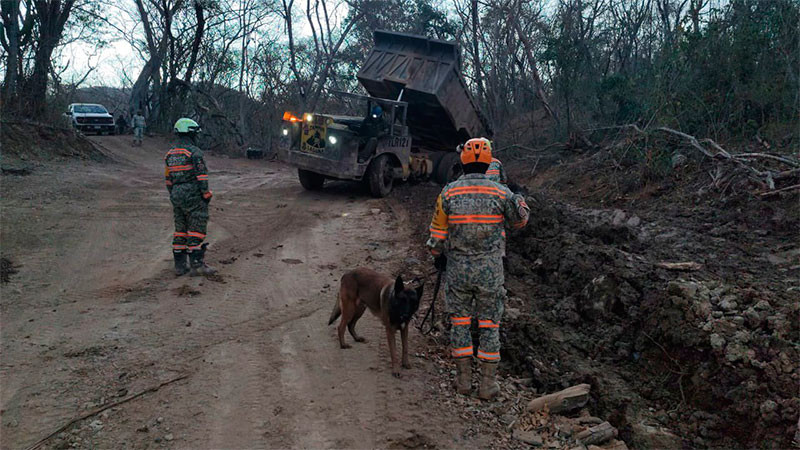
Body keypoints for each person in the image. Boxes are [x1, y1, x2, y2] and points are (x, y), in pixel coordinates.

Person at [426, 137, 529, 400]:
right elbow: (520, 223)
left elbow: (436, 237)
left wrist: (438, 254)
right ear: (489, 162)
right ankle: (487, 385)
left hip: (458, 271)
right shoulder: (500, 192)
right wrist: (521, 201)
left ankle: (462, 381)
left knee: (459, 323)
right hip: (490, 273)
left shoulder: (448, 192)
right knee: (489, 325)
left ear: (462, 161)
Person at [164, 118, 216, 277]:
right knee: (197, 228)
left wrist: (174, 194)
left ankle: (180, 266)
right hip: (193, 194)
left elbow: (168, 179)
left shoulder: (170, 154)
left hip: (176, 194)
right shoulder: (194, 152)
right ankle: (197, 264)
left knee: (180, 229)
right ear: (191, 134)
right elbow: (201, 177)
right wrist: (206, 194)